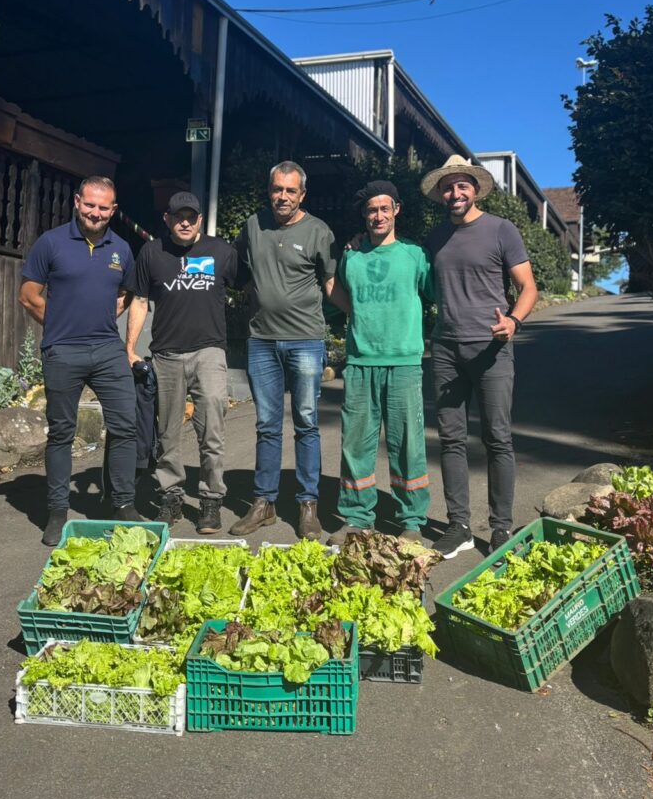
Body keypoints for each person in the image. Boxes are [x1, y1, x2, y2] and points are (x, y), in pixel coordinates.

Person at [421, 154, 538, 558]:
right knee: (451, 440)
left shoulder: (501, 230)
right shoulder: (435, 238)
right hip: (446, 350)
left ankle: (501, 528)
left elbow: (528, 288)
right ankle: (459, 526)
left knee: (497, 438)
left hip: (492, 349)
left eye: (462, 185)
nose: (455, 193)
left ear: (475, 189)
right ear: (441, 193)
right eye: (448, 187)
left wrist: (514, 321)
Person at [19, 176, 139, 546]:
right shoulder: (51, 242)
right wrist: (61, 324)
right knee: (61, 432)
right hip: (62, 350)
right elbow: (29, 295)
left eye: (104, 207)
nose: (96, 213)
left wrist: (102, 319)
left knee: (125, 425)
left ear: (113, 210)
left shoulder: (121, 249)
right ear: (77, 202)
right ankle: (57, 512)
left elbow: (126, 294)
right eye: (90, 204)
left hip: (107, 349)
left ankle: (123, 505)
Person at [229, 160, 345, 540]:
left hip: (306, 340)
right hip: (261, 339)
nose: (282, 196)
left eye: (290, 190)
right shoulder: (253, 225)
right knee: (266, 425)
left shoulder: (318, 231)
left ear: (302, 194)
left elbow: (329, 283)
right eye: (277, 189)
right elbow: (240, 273)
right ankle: (263, 502)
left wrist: (360, 316)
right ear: (270, 189)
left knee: (307, 423)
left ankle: (308, 504)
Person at [125, 191, 237, 535]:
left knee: (212, 429)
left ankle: (210, 500)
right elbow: (140, 301)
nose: (185, 222)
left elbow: (249, 287)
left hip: (210, 352)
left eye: (191, 216)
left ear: (200, 219)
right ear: (167, 220)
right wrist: (130, 348)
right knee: (167, 432)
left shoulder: (223, 252)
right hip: (167, 354)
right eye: (178, 216)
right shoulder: (151, 252)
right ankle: (170, 495)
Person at [328, 181, 433, 546]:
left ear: (396, 210)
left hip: (404, 362)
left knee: (408, 444)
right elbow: (336, 293)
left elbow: (434, 294)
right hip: (360, 362)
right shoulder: (351, 256)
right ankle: (357, 517)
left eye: (384, 209)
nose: (378, 216)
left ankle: (412, 520)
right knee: (356, 445)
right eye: (371, 210)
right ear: (365, 215)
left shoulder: (415, 256)